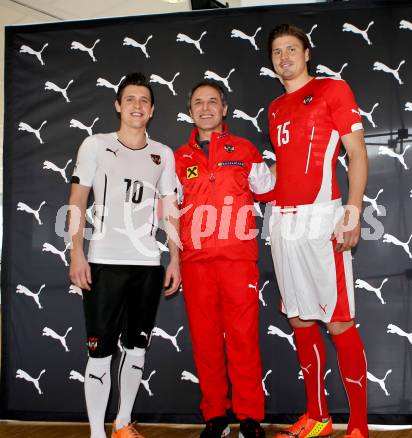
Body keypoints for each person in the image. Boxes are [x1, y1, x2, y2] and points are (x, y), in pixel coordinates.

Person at [267, 24, 369, 438]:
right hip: (283, 221)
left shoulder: (333, 90)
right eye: (277, 52)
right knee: (299, 320)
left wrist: (353, 210)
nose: (284, 57)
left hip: (320, 218)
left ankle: (359, 425)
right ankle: (318, 417)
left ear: (307, 53)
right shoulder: (274, 107)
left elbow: (357, 154)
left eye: (292, 49)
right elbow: (284, 168)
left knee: (339, 321)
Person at [68, 72, 180, 438]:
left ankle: (121, 424)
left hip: (147, 265)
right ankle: (97, 432)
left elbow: (170, 210)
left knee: (136, 348)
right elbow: (77, 201)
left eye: (144, 101)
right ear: (118, 105)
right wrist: (76, 253)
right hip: (103, 263)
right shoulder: (95, 145)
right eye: (130, 99)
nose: (137, 106)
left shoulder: (163, 154)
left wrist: (174, 258)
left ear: (152, 110)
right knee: (100, 352)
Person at [174, 80, 275, 438]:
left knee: (243, 338)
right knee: (205, 340)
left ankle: (249, 415)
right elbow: (168, 210)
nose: (205, 108)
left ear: (225, 108)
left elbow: (269, 189)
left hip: (238, 260)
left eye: (212, 101)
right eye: (198, 102)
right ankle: (215, 415)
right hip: (195, 262)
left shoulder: (245, 149)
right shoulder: (178, 158)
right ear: (190, 110)